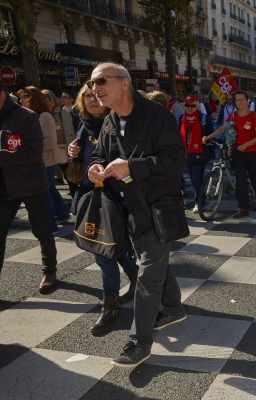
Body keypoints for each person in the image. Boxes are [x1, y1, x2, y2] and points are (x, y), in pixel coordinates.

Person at [87, 62, 187, 368]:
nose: (94, 89)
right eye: (91, 84)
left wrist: (132, 166)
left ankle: (139, 343)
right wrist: (95, 167)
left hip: (157, 209)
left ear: (125, 83)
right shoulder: (109, 120)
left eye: (101, 81)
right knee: (154, 264)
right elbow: (101, 154)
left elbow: (175, 160)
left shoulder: (158, 116)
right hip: (127, 210)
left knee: (147, 274)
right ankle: (173, 309)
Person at [68, 85, 139, 333]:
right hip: (89, 194)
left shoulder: (116, 123)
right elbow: (82, 159)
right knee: (110, 247)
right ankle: (135, 277)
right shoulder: (83, 124)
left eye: (96, 96)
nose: (92, 100)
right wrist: (73, 153)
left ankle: (110, 308)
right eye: (87, 96)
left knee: (103, 252)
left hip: (114, 197)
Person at [0, 81, 58, 294]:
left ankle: (50, 271)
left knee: (43, 230)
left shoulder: (27, 116)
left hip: (30, 184)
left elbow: (33, 152)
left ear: (2, 95)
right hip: (3, 187)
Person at [202, 90, 256, 218]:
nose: (240, 102)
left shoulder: (254, 116)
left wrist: (246, 145)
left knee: (255, 178)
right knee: (240, 180)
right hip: (237, 152)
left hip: (254, 153)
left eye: (242, 99)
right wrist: (208, 137)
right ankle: (244, 207)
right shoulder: (232, 115)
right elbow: (222, 128)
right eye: (237, 100)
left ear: (247, 101)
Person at [18, 86, 71, 233]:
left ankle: (49, 226)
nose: (21, 100)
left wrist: (30, 146)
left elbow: (50, 141)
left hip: (47, 161)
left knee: (43, 193)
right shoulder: (34, 115)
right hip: (43, 160)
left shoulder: (44, 116)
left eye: (24, 97)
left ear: (32, 99)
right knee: (50, 189)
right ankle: (62, 214)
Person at [178, 94, 211, 213]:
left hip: (200, 153)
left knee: (197, 178)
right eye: (187, 105)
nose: (189, 108)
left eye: (192, 105)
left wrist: (211, 155)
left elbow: (210, 135)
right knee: (192, 179)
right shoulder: (181, 118)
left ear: (197, 106)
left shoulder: (203, 118)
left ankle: (199, 202)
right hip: (186, 153)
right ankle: (202, 196)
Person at [43, 90, 78, 197]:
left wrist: (70, 149)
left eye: (47, 98)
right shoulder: (43, 113)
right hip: (49, 150)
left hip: (62, 147)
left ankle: (74, 195)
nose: (45, 101)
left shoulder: (62, 113)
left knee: (67, 173)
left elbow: (69, 133)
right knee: (50, 180)